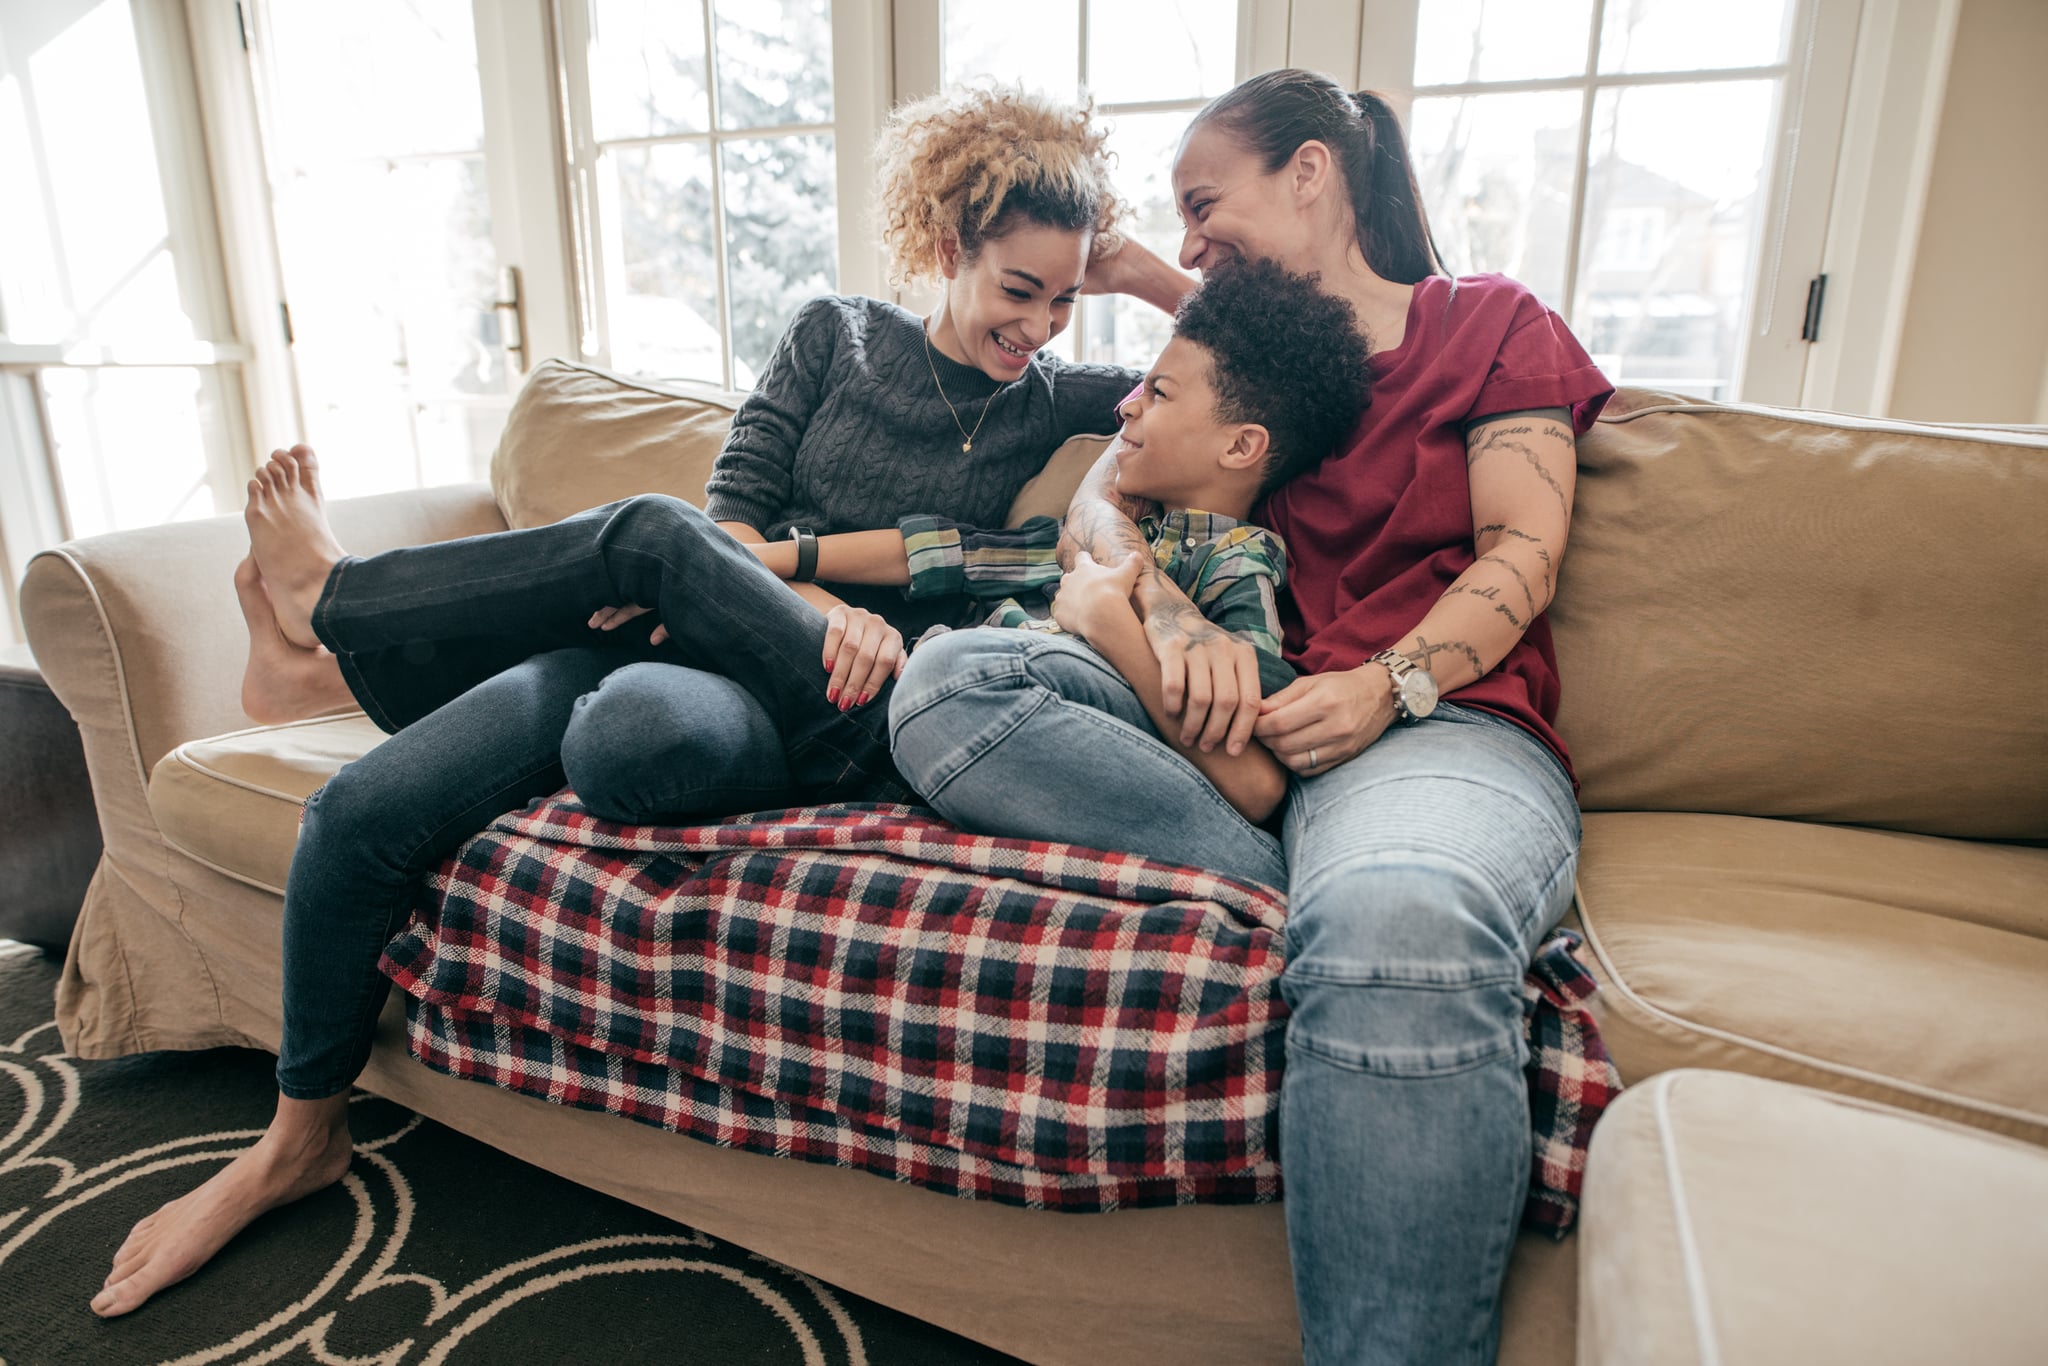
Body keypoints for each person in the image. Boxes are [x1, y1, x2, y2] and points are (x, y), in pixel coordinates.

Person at [92, 85, 1143, 1318]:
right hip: (694, 650)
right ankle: (295, 1139)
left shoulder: (1064, 399)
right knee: (422, 791)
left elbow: (1240, 360)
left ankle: (336, 610)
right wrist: (738, 584)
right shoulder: (834, 337)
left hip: (847, 696)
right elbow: (734, 517)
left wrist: (1131, 264)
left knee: (646, 538)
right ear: (948, 244)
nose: (1040, 323)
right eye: (1017, 287)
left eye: (1066, 296)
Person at [899, 70, 1614, 1364]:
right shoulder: (1237, 361)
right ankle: (1282, 850)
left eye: (1204, 202)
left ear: (1311, 173)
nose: (1188, 243)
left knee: (1397, 916)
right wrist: (1161, 617)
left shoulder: (1487, 324)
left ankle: (1321, 880)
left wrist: (1389, 680)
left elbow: (1522, 548)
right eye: (1177, 224)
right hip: (1222, 704)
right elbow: (1104, 500)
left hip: (1428, 726)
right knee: (948, 682)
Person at [883, 256, 1370, 890]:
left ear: (1240, 446)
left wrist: (1113, 627)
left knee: (944, 677)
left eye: (1159, 393)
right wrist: (793, 557)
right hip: (986, 699)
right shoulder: (1115, 532)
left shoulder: (1234, 560)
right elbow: (959, 552)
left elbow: (1256, 783)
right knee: (932, 669)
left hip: (987, 690)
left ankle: (1253, 878)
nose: (1126, 407)